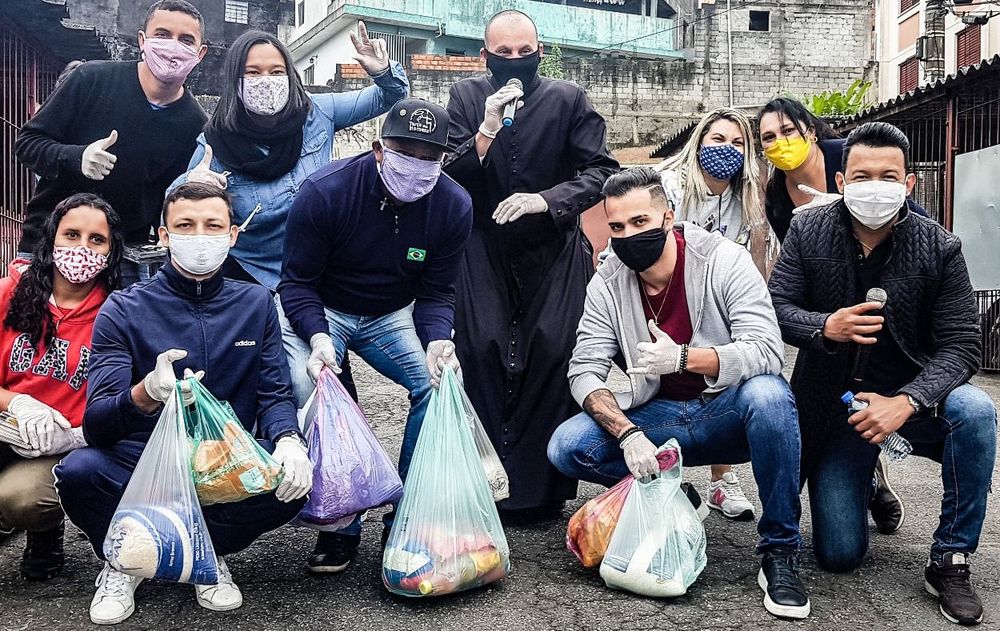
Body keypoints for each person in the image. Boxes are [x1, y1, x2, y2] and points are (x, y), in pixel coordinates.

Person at [546, 167, 809, 619]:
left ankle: (780, 552)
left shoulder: (723, 260)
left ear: (668, 216)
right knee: (568, 446)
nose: (628, 236)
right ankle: (674, 494)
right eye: (617, 227)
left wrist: (687, 358)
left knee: (770, 397)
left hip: (727, 410)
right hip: (659, 416)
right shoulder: (608, 283)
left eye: (640, 222)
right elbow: (584, 370)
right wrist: (628, 434)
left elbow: (767, 351)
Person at [768, 122, 996, 626]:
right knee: (840, 555)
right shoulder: (807, 231)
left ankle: (951, 560)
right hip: (838, 412)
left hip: (911, 408)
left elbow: (963, 346)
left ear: (909, 184)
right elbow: (776, 307)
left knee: (976, 410)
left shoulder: (939, 247)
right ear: (841, 181)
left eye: (888, 175)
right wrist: (824, 326)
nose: (876, 186)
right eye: (862, 175)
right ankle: (869, 476)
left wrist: (908, 401)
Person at [54, 183, 312, 625]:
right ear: (164, 235)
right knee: (79, 474)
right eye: (185, 225)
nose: (200, 236)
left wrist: (290, 441)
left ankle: (201, 554)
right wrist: (145, 395)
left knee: (293, 483)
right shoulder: (125, 308)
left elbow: (273, 393)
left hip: (224, 462)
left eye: (213, 225)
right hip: (139, 463)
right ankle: (122, 561)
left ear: (233, 235)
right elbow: (97, 424)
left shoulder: (255, 303)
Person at [278, 97, 472, 573]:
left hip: (393, 313)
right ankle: (340, 523)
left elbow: (436, 292)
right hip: (323, 307)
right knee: (313, 387)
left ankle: (405, 513)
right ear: (378, 149)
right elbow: (296, 282)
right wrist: (318, 337)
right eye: (406, 153)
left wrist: (438, 340)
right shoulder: (325, 191)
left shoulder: (453, 205)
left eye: (430, 157)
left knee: (438, 383)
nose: (418, 167)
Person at [172, 25, 408, 405]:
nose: (266, 81)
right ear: (235, 80)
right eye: (253, 73)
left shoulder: (317, 114)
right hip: (255, 278)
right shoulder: (216, 141)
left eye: (277, 71)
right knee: (270, 383)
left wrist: (382, 70)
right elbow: (178, 200)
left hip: (317, 274)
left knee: (330, 387)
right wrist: (191, 182)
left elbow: (391, 98)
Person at [443, 9, 620, 518]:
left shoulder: (569, 99)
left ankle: (541, 491)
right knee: (480, 348)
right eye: (504, 54)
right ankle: (479, 480)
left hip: (554, 245)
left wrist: (546, 199)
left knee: (553, 348)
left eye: (525, 52)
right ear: (485, 56)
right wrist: (486, 129)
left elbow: (601, 171)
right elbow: (448, 173)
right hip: (482, 244)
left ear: (540, 52)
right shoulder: (465, 98)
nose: (515, 61)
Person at [758, 96, 920, 533]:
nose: (780, 143)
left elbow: (912, 229)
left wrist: (844, 203)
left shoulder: (849, 157)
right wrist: (821, 324)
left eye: (788, 131)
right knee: (810, 418)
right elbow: (794, 277)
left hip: (883, 297)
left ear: (811, 131)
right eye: (768, 137)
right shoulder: (777, 193)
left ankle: (870, 471)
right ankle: (799, 518)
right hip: (828, 316)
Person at [14, 0, 207, 286]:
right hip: (51, 246)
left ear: (200, 53)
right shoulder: (90, 79)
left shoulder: (195, 124)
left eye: (186, 40)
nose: (173, 47)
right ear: (143, 40)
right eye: (163, 35)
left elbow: (165, 201)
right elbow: (27, 143)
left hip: (124, 262)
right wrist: (76, 158)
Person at [656, 107, 779, 521]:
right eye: (718, 140)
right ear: (700, 143)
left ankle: (721, 482)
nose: (727, 150)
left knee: (724, 368)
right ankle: (662, 473)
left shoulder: (742, 198)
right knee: (664, 380)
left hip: (714, 292)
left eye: (738, 143)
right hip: (668, 288)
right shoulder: (671, 185)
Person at [0, 193, 123, 582]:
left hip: (58, 443)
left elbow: (118, 404)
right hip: (6, 422)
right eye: (71, 234)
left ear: (111, 250)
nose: (82, 248)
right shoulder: (8, 293)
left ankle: (42, 530)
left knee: (20, 498)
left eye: (96, 240)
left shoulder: (118, 314)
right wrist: (17, 402)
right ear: (51, 239)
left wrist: (72, 437)